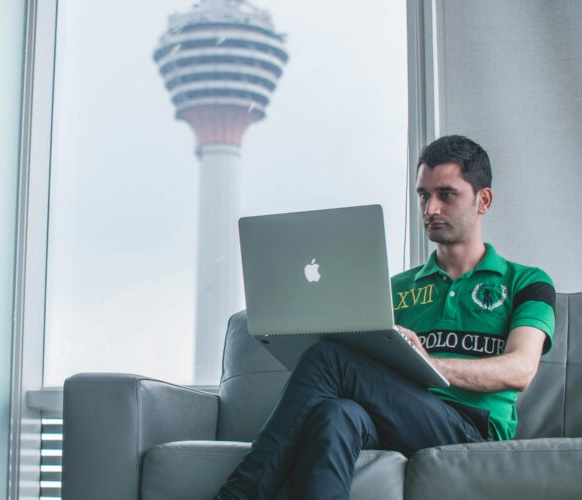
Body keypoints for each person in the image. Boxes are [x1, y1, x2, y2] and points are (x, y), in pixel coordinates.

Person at [215, 135, 556, 499]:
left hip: (474, 428)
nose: (431, 209)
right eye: (424, 195)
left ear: (483, 200)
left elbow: (520, 370)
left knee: (327, 360)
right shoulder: (394, 288)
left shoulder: (526, 281)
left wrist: (431, 364)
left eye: (447, 194)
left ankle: (240, 493)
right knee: (335, 414)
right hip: (397, 419)